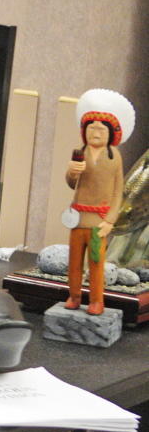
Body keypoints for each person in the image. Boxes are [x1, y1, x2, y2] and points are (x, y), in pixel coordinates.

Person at [63, 89, 132, 316]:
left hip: (98, 222)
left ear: (111, 133)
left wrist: (110, 220)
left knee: (96, 263)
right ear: (84, 132)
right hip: (77, 218)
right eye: (91, 127)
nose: (96, 132)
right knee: (74, 262)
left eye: (101, 129)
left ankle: (96, 300)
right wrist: (72, 173)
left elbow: (118, 192)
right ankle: (74, 295)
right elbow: (73, 184)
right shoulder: (79, 153)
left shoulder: (114, 157)